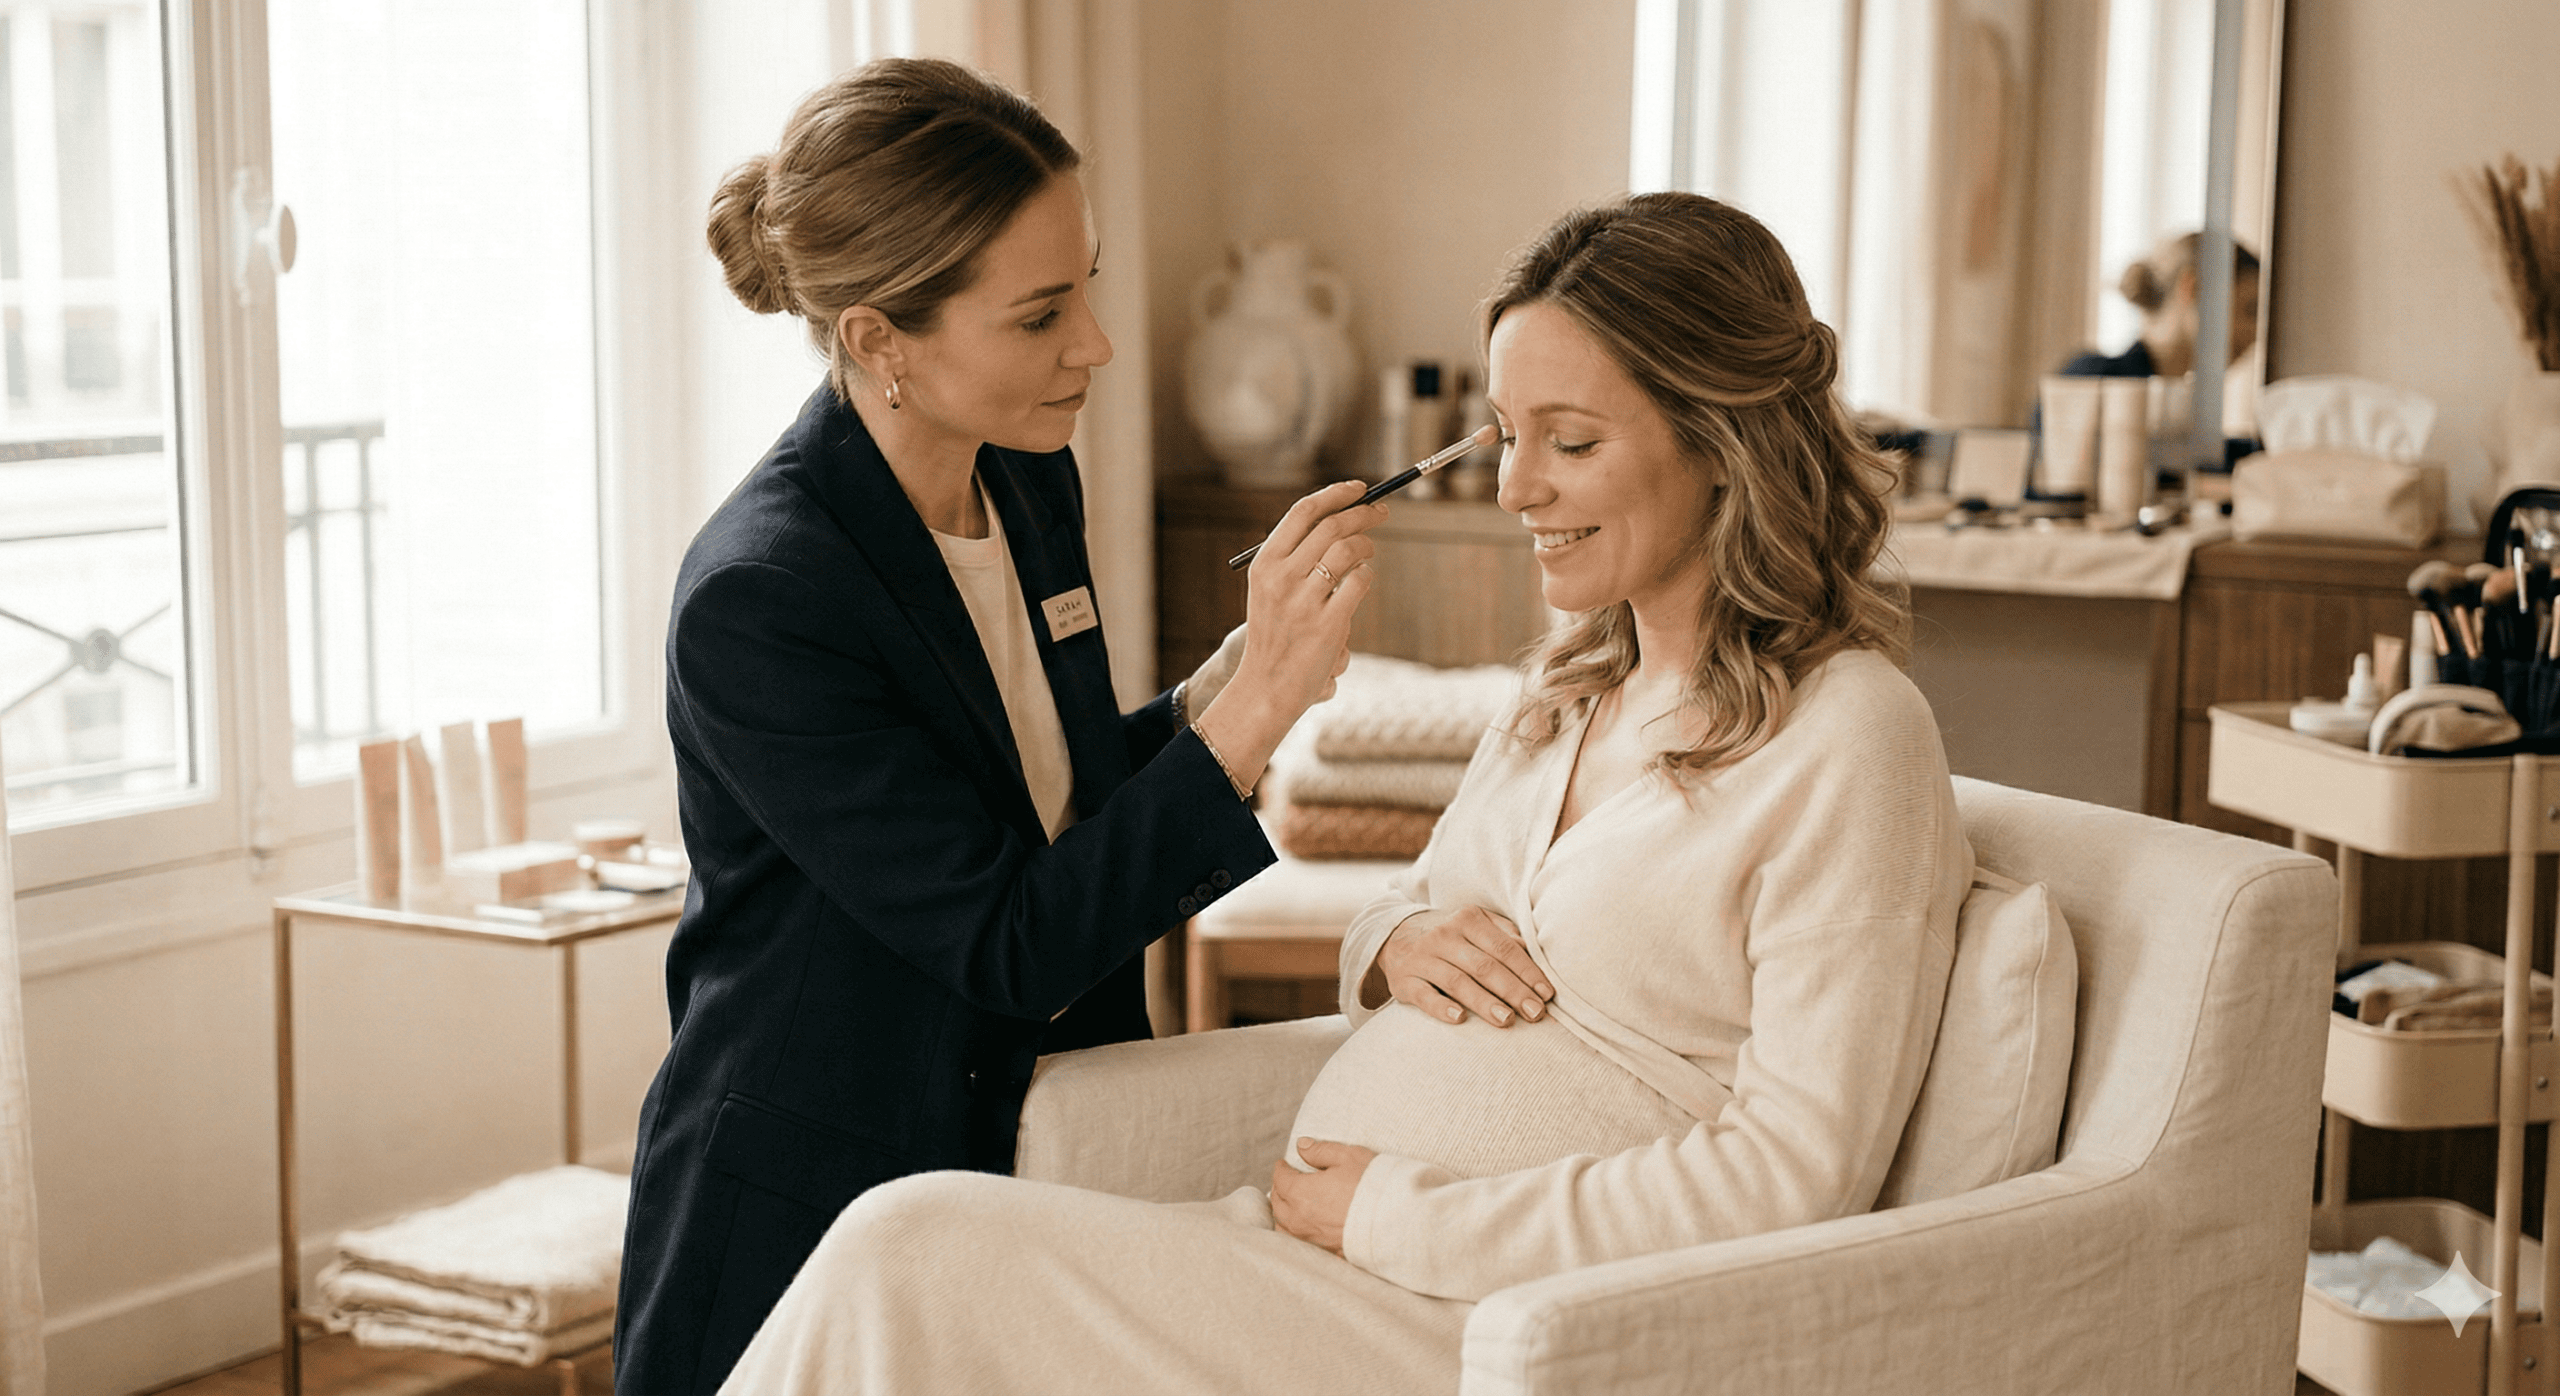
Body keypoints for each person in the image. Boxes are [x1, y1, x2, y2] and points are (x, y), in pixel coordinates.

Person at [713, 191, 1977, 1395]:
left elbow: (1796, 1174)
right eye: (1505, 435)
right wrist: (1396, 940)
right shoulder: (1574, 689)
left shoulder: (1851, 740)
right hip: (1327, 1256)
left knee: (913, 1246)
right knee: (909, 1268)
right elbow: (1401, 919)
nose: (1513, 488)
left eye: (1571, 442)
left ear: (1724, 444)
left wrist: (1401, 1213)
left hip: (1490, 1321)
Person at [613, 58, 1390, 1394]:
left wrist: (1227, 688)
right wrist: (1254, 719)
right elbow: (1006, 936)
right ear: (877, 341)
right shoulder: (763, 600)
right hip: (827, 1193)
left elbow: (1050, 798)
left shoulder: (1028, 477)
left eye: (1086, 285)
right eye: (1041, 315)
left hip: (1044, 1143)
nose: (1093, 345)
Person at [2063, 230, 2261, 381]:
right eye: (2250, 311)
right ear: (2193, 289)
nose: (2255, 334)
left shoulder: (2187, 416)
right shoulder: (2092, 381)